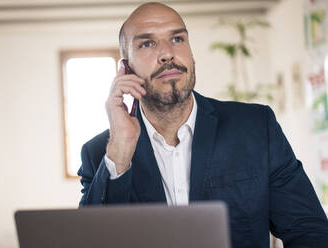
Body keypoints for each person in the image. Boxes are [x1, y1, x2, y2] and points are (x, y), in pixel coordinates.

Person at [78, 2, 328, 247]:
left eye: (177, 39)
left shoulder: (256, 128)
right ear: (126, 68)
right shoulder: (101, 154)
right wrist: (121, 150)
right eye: (147, 43)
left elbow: (310, 232)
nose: (167, 53)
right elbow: (90, 241)